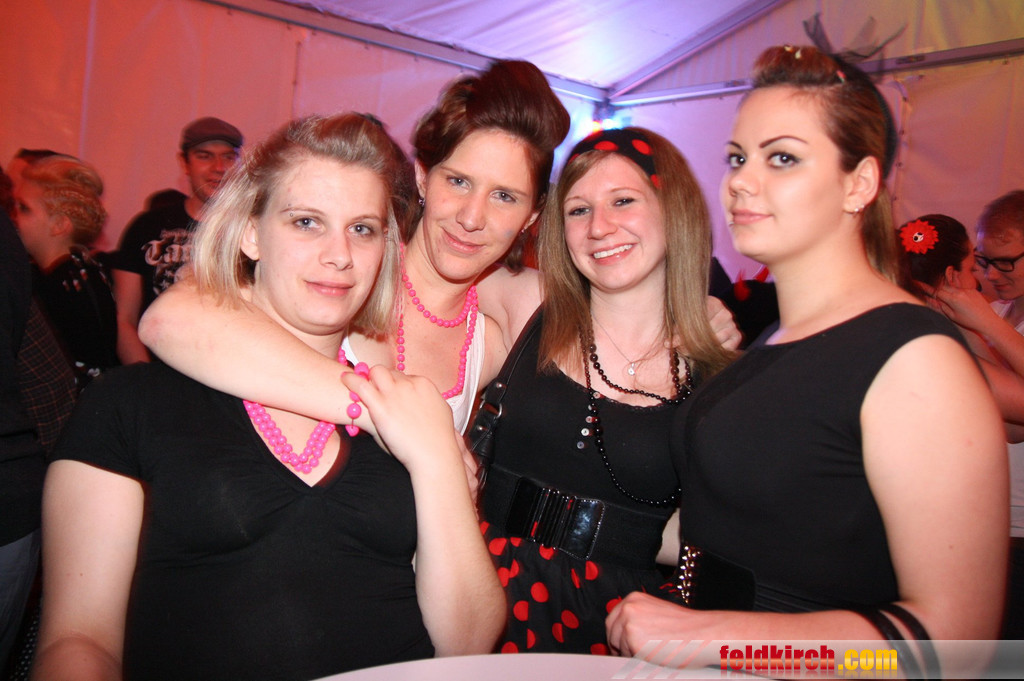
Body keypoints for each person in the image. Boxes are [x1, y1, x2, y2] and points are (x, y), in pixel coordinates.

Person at [32, 113, 504, 681]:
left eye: (362, 229)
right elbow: (79, 638)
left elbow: (466, 642)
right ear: (251, 232)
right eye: (307, 222)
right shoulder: (129, 404)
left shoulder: (409, 414)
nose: (339, 254)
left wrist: (436, 458)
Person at [606, 45, 1007, 673]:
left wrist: (711, 636)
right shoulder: (777, 339)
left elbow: (957, 645)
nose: (741, 180)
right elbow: (755, 533)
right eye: (737, 157)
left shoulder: (915, 358)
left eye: (782, 158)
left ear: (859, 183)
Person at [138, 61, 738, 434]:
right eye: (458, 182)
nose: (472, 218)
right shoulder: (344, 267)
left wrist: (691, 312)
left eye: (504, 197)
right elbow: (169, 321)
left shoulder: (501, 327)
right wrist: (399, 424)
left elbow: (619, 308)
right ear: (423, 177)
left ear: (532, 215)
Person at [480, 127, 734, 655]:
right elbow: (415, 272)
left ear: (675, 210)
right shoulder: (528, 304)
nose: (599, 227)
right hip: (482, 597)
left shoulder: (718, 377)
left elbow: (721, 538)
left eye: (623, 201)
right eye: (578, 210)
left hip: (616, 627)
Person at [923, 193, 1024, 640]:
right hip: (994, 521)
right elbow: (1011, 427)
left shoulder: (994, 318)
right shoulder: (998, 313)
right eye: (983, 261)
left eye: (1006, 262)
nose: (991, 275)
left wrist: (986, 324)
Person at [109, 117, 243, 364]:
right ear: (184, 163)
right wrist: (145, 378)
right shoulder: (146, 226)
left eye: (228, 157)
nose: (218, 167)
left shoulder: (253, 230)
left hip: (229, 372)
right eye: (204, 156)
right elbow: (124, 319)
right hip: (157, 371)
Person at [13, 156, 119, 384]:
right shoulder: (81, 272)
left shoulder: (63, 287)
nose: (13, 217)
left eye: (24, 209)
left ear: (59, 224)